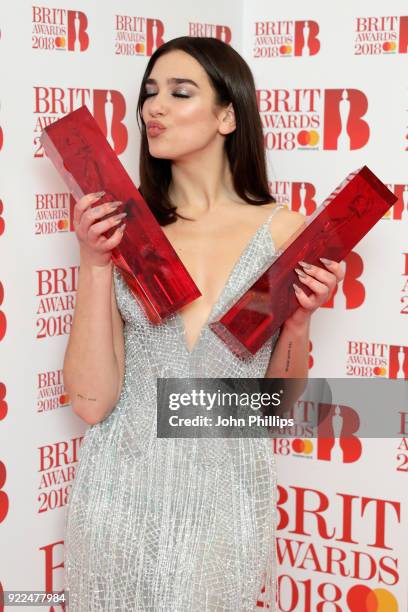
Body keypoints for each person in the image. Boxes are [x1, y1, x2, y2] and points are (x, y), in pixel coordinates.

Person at [62, 36, 344, 611]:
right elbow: (92, 403)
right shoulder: (125, 230)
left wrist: (297, 323)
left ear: (227, 114)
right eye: (148, 94)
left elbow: (271, 412)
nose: (152, 109)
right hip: (117, 500)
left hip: (225, 503)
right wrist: (94, 263)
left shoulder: (283, 233)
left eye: (178, 92)